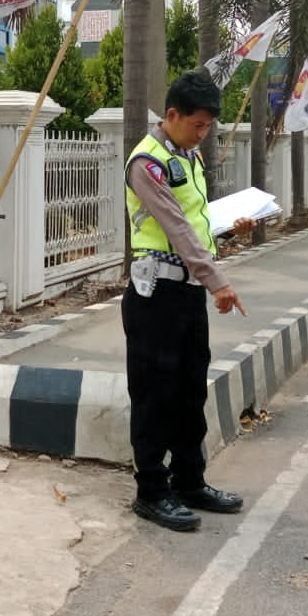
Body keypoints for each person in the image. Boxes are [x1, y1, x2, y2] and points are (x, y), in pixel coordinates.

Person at [122, 70, 254, 532]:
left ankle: (190, 481)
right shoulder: (148, 163)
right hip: (154, 294)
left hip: (187, 292)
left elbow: (195, 222)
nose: (203, 134)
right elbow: (174, 229)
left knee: (189, 392)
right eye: (197, 125)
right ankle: (152, 492)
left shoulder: (187, 158)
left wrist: (227, 229)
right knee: (154, 395)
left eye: (207, 127)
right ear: (172, 115)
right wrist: (219, 282)